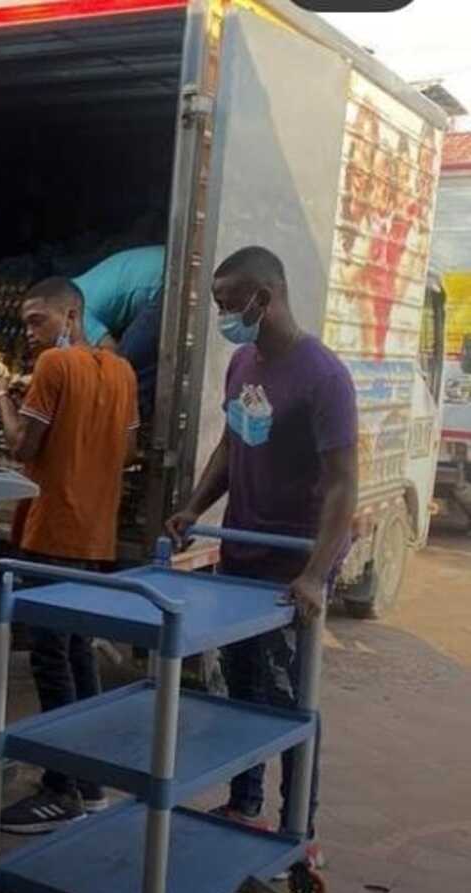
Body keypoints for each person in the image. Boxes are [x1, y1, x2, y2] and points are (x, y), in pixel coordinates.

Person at [166, 246, 357, 854]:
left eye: (228, 304)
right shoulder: (243, 362)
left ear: (263, 299)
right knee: (242, 691)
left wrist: (315, 575)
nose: (224, 316)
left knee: (288, 701)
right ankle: (244, 801)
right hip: (241, 554)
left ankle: (299, 826)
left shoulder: (324, 377)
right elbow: (233, 444)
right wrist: (195, 507)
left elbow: (342, 485)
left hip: (290, 569)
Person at [0, 277, 138, 834]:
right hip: (95, 537)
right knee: (77, 654)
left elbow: (21, 445)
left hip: (52, 534)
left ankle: (60, 789)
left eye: (37, 320)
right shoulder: (122, 373)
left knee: (52, 660)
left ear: (71, 316)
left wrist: (3, 398)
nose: (30, 333)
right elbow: (128, 449)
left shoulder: (53, 365)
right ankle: (89, 784)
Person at [73, 244, 165, 421]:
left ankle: (131, 426)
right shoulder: (77, 289)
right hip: (162, 268)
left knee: (125, 370)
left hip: (164, 282)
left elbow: (111, 354)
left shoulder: (77, 311)